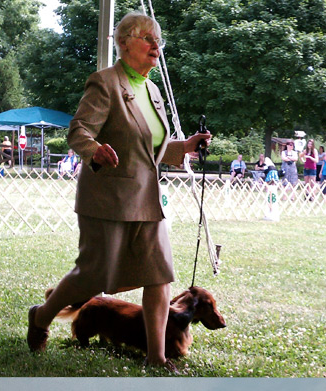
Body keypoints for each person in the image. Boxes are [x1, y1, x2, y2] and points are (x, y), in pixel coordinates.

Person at [27, 11, 210, 370]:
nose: (155, 45)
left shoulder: (153, 91)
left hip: (147, 198)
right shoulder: (105, 83)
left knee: (159, 276)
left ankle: (156, 357)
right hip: (108, 198)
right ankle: (41, 315)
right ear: (123, 43)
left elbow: (150, 148)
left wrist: (185, 146)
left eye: (158, 40)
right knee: (92, 276)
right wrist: (94, 149)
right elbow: (79, 131)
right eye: (147, 38)